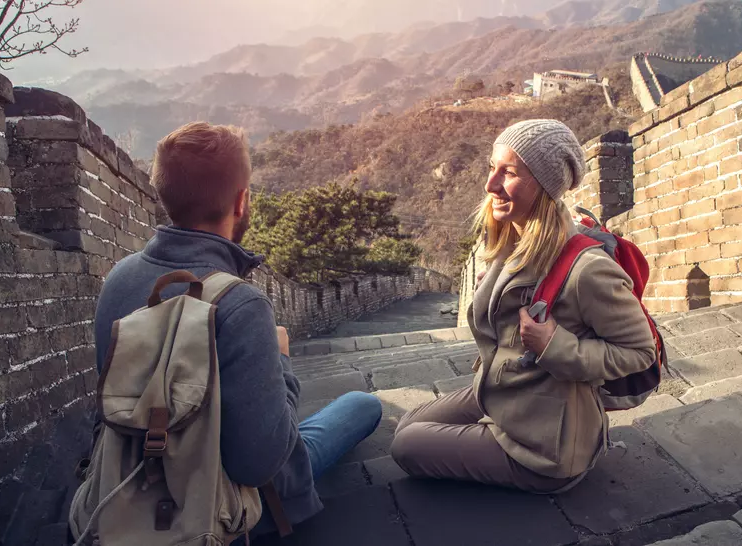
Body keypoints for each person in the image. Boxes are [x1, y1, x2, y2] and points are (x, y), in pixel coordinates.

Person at [92, 122, 382, 537]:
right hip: (223, 508)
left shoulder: (118, 278)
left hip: (129, 487)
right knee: (361, 404)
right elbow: (259, 464)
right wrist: (281, 361)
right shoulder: (239, 305)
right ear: (242, 201)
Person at [390, 119, 656, 493]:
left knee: (406, 446)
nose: (490, 185)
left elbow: (639, 352)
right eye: (491, 168)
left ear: (545, 186)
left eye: (509, 173)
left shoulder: (587, 270)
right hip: (508, 393)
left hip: (547, 447)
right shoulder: (511, 243)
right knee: (407, 424)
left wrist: (554, 346)